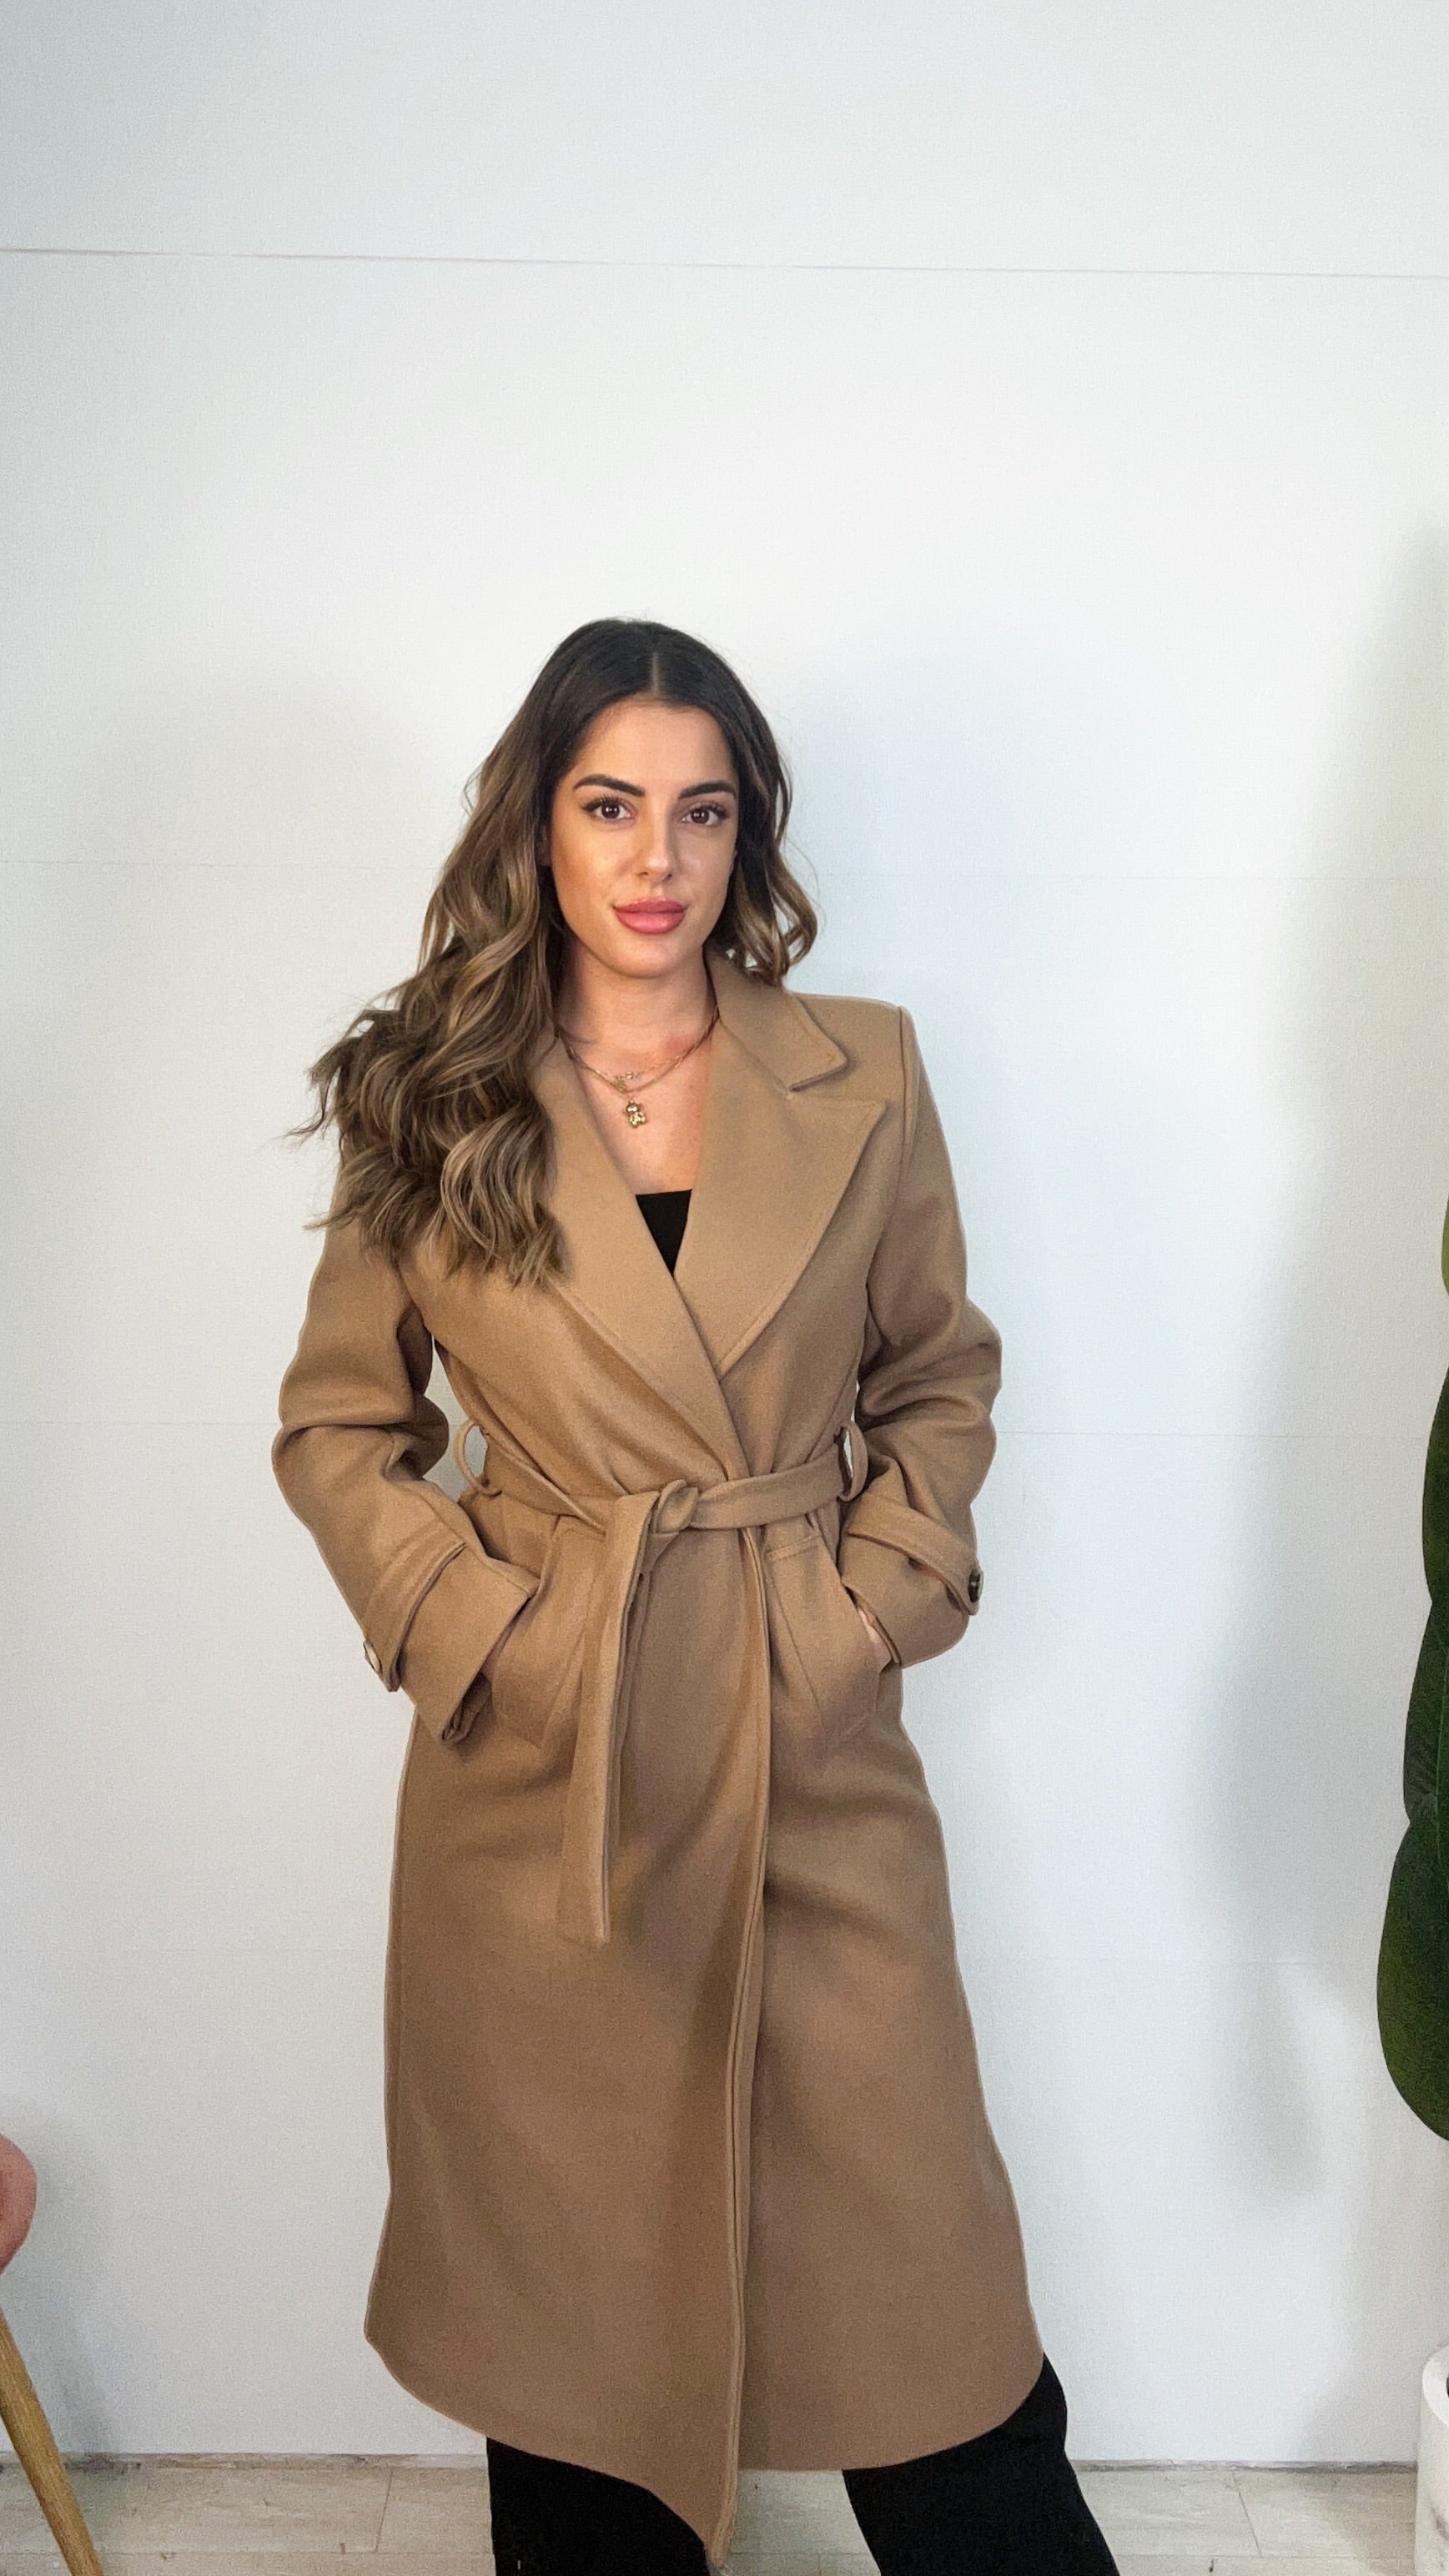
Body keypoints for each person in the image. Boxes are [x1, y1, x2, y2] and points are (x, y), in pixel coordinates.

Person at [271, 618, 1118, 2575]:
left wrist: (857, 1609)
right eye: (609, 805)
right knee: (573, 2351)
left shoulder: (861, 1070)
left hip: (801, 1734)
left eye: (702, 810)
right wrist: (494, 1635)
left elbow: (936, 1376)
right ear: (535, 826)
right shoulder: (429, 1090)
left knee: (932, 2324)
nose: (657, 856)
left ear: (747, 835)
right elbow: (339, 1424)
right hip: (544, 1776)